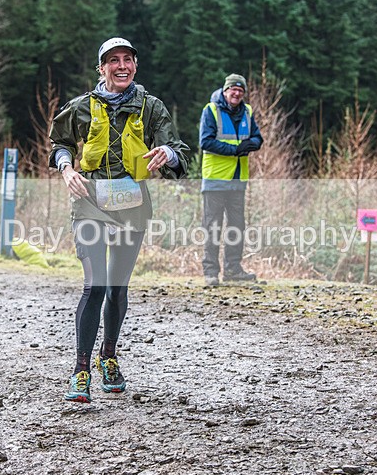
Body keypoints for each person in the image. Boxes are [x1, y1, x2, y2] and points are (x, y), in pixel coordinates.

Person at [49, 37, 189, 403]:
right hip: (90, 203)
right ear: (102, 68)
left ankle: (108, 357)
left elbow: (180, 153)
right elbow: (59, 143)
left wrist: (168, 154)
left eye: (128, 59)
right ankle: (81, 370)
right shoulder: (81, 107)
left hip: (131, 204)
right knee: (94, 286)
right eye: (113, 60)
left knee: (117, 289)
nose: (121, 65)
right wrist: (66, 168)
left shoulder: (152, 108)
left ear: (135, 66)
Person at [199, 73, 264, 287]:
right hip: (215, 180)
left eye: (240, 90)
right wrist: (235, 150)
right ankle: (211, 272)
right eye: (233, 89)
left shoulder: (247, 112)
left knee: (237, 227)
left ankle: (233, 269)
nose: (236, 93)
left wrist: (250, 145)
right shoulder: (211, 110)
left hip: (238, 180)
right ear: (225, 91)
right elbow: (206, 142)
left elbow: (257, 138)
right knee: (213, 227)